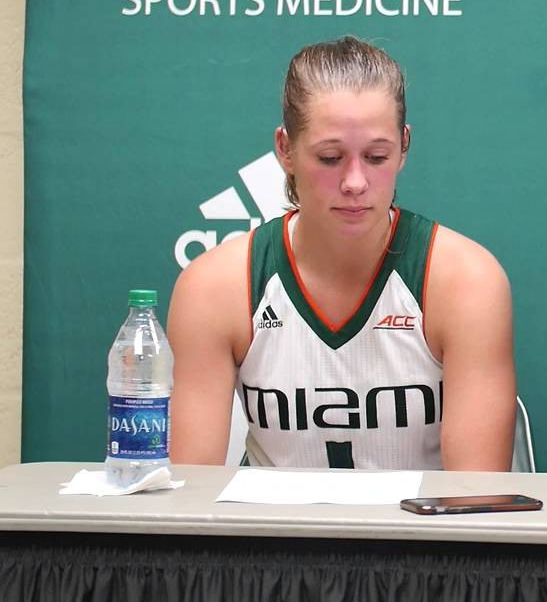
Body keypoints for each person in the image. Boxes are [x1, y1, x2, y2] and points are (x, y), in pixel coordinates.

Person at [169, 37, 515, 470]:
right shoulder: (215, 288)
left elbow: (475, 497)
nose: (355, 182)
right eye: (330, 158)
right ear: (285, 149)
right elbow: (185, 499)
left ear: (404, 146)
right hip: (272, 536)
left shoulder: (465, 280)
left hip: (420, 536)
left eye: (376, 156)